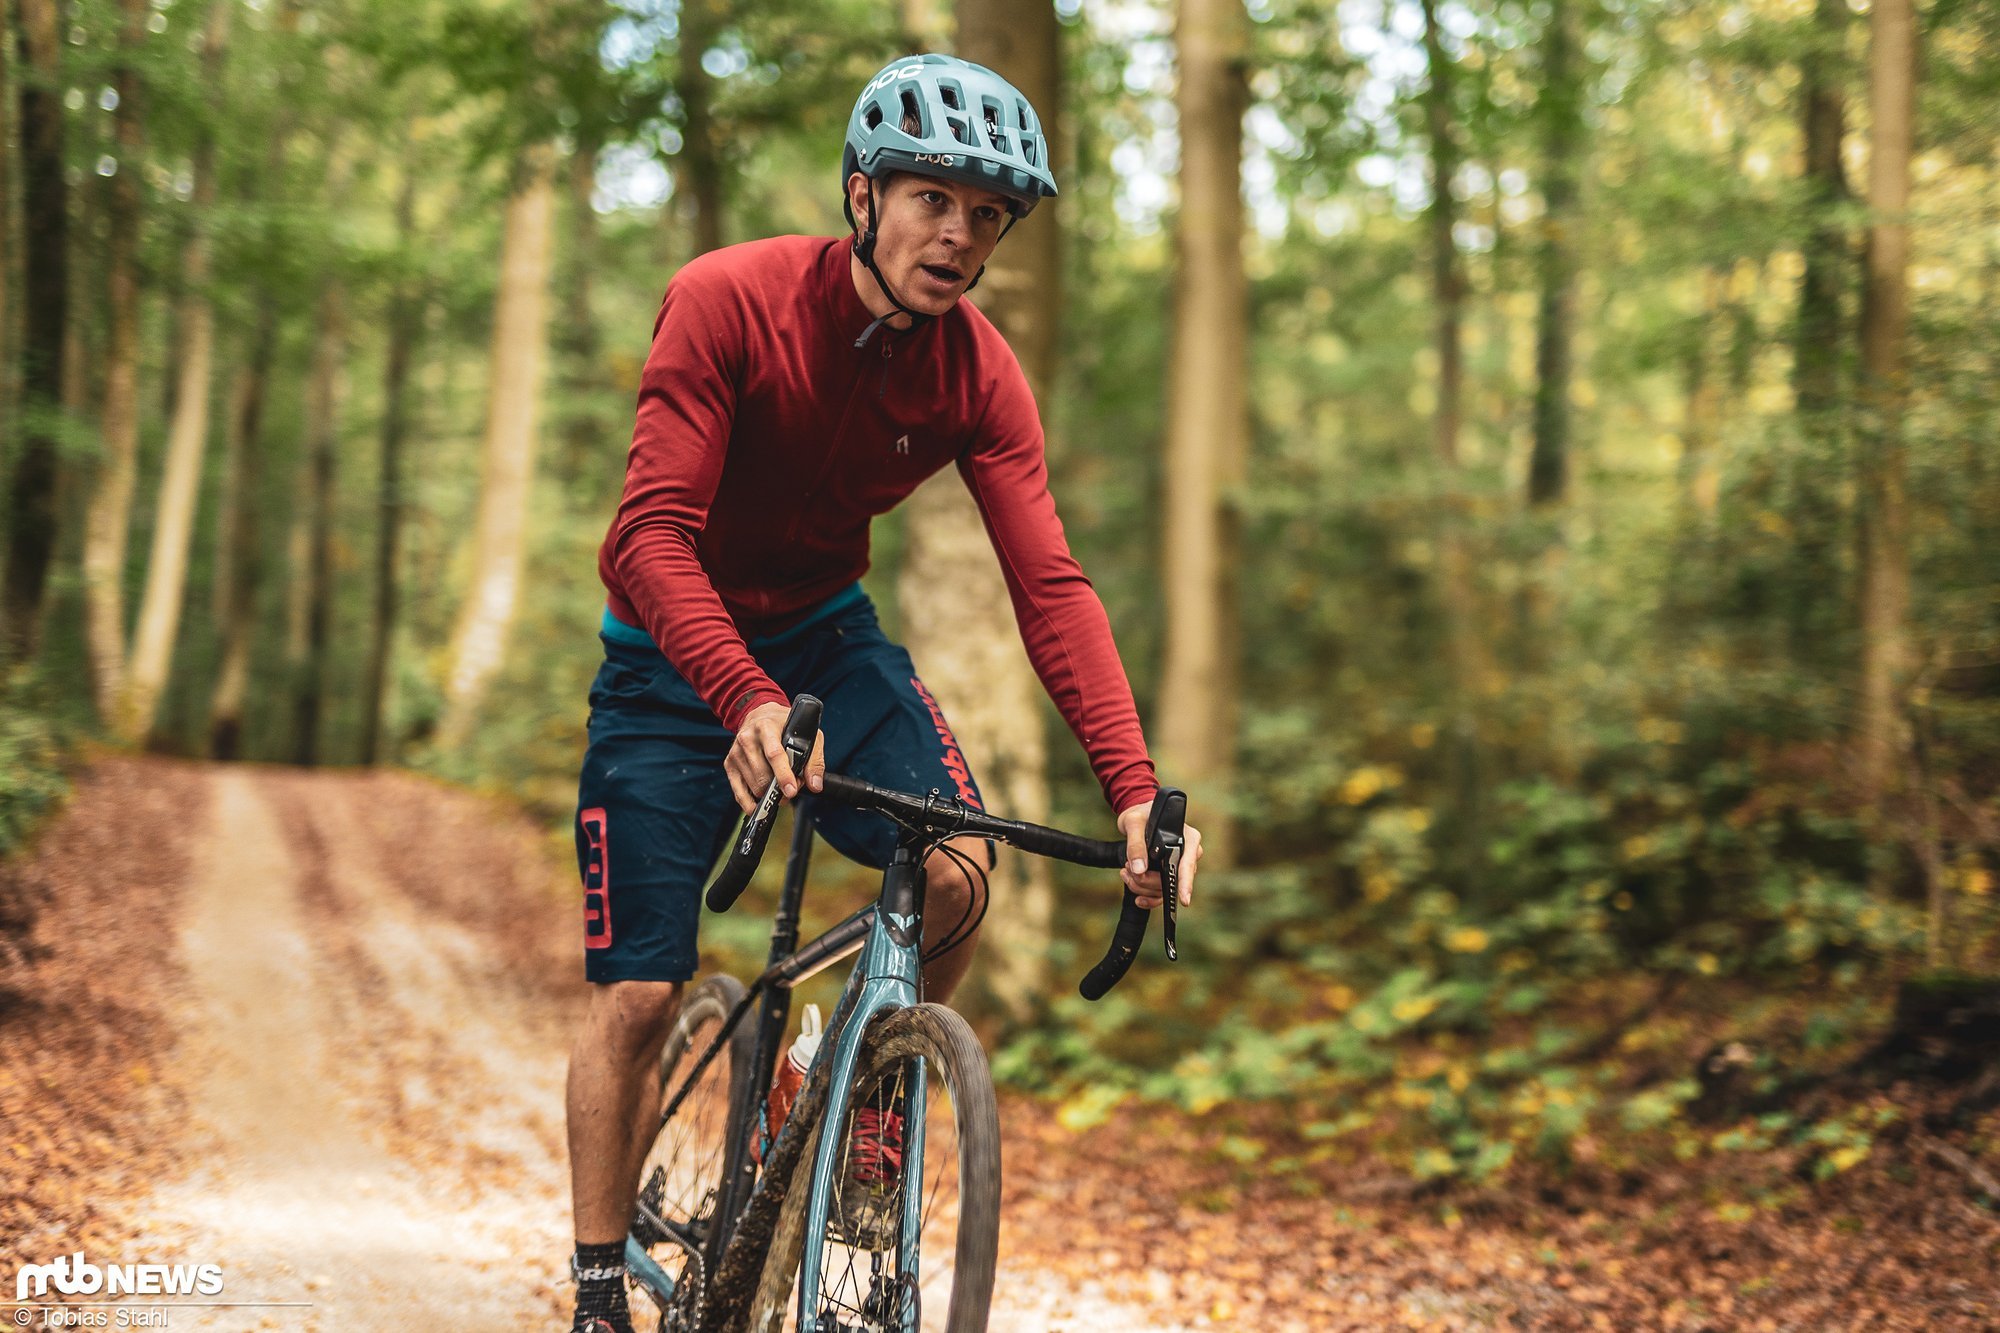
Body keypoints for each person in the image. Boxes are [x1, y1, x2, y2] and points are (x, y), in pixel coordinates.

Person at [562, 53, 1204, 1333]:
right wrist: (736, 695)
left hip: (824, 643)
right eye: (932, 200)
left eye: (986, 216)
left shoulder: (975, 371)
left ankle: (866, 1103)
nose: (958, 236)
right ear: (863, 196)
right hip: (662, 663)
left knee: (962, 864)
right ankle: (591, 1284)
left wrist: (1136, 794)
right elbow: (646, 534)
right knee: (636, 990)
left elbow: (1051, 587)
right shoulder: (726, 299)